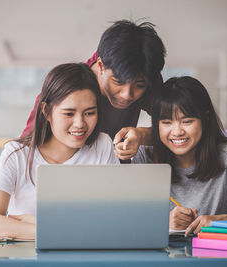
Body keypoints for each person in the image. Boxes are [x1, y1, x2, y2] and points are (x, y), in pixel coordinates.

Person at [0, 63, 119, 240]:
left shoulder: (103, 146)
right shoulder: (16, 154)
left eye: (89, 113)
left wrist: (38, 224)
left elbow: (112, 220)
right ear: (47, 111)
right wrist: (56, 230)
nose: (80, 124)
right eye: (69, 114)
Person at [132, 76, 227, 237]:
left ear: (205, 118)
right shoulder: (145, 156)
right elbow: (126, 220)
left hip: (215, 258)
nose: (177, 131)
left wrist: (226, 221)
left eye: (187, 121)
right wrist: (164, 222)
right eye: (166, 122)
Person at [21, 20, 166, 161]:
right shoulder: (62, 91)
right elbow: (25, 152)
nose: (127, 95)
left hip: (113, 175)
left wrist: (142, 135)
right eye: (118, 82)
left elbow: (179, 127)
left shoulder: (147, 73)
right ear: (101, 66)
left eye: (140, 85)